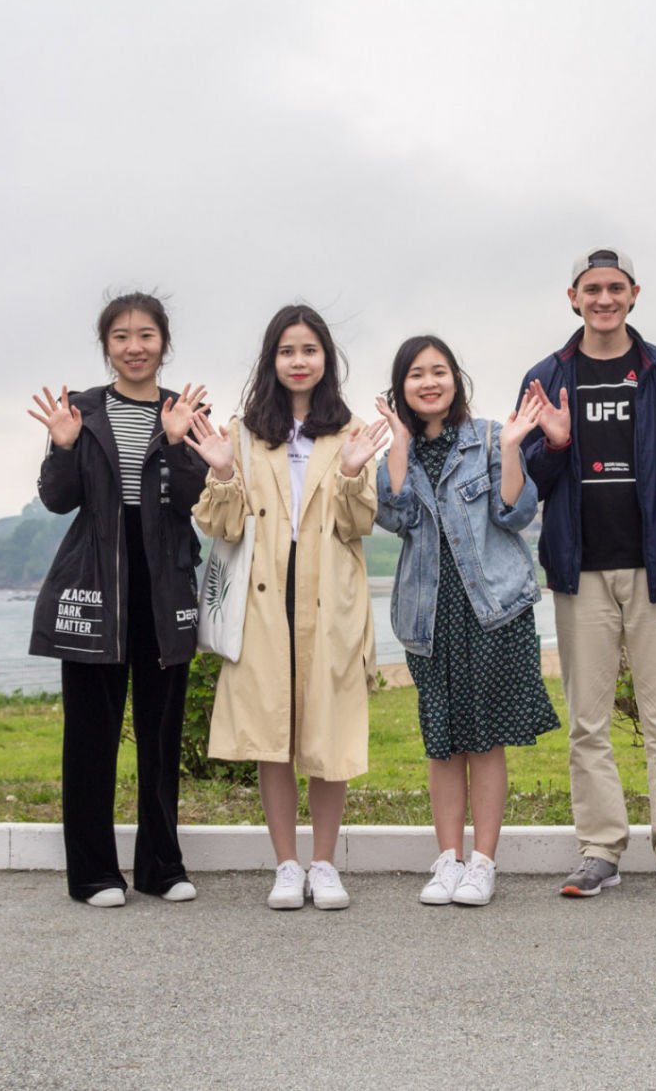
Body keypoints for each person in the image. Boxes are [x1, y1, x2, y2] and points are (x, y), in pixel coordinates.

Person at [517, 247, 656, 898]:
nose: (603, 299)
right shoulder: (546, 377)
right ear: (572, 298)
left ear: (634, 294)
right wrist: (554, 443)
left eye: (615, 288)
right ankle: (600, 848)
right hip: (580, 569)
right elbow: (530, 482)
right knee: (587, 722)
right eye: (592, 289)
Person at [185, 304, 386, 911]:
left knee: (328, 735)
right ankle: (286, 865)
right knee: (271, 735)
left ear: (327, 358)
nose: (299, 361)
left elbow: (358, 523)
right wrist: (224, 472)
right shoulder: (243, 432)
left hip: (330, 598)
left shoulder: (351, 430)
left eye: (309, 350)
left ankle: (324, 863)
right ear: (271, 360)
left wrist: (350, 473)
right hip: (263, 598)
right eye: (287, 351)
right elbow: (220, 524)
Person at [27, 292, 209, 908]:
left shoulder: (186, 411)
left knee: (160, 734)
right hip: (94, 583)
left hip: (164, 582)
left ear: (164, 342)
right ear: (107, 345)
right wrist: (62, 446)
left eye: (146, 335)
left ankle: (161, 866)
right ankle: (93, 874)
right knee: (89, 737)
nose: (135, 347)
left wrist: (179, 442)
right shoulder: (80, 409)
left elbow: (195, 501)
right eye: (122, 337)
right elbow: (58, 500)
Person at [373, 336, 560, 906]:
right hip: (429, 616)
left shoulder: (488, 438)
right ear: (401, 388)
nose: (429, 382)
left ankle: (483, 863)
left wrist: (512, 448)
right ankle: (448, 859)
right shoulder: (398, 451)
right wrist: (399, 445)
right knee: (442, 743)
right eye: (416, 374)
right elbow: (396, 517)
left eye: (439, 371)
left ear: (455, 378)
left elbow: (515, 513)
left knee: (485, 741)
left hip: (492, 610)